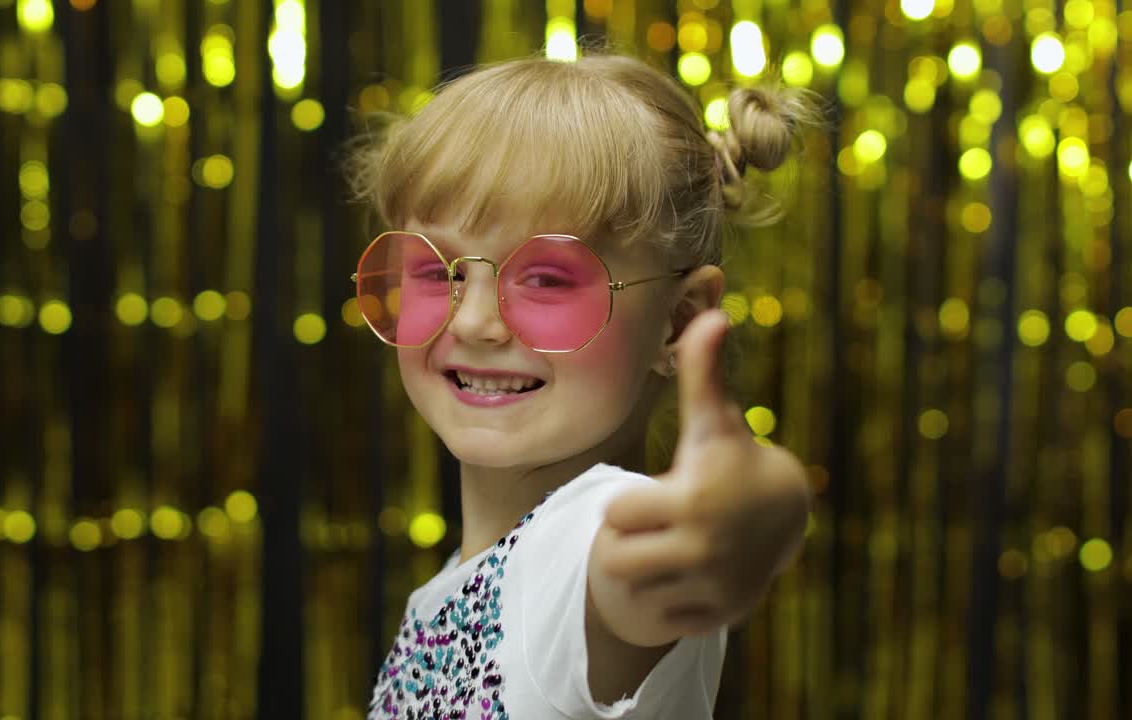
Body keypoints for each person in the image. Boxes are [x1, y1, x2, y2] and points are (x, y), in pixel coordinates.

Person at [347, 51, 817, 719]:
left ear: (679, 321)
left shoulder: (589, 537)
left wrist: (758, 507)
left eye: (545, 278)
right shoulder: (464, 577)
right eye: (440, 271)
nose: (476, 320)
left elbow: (640, 570)